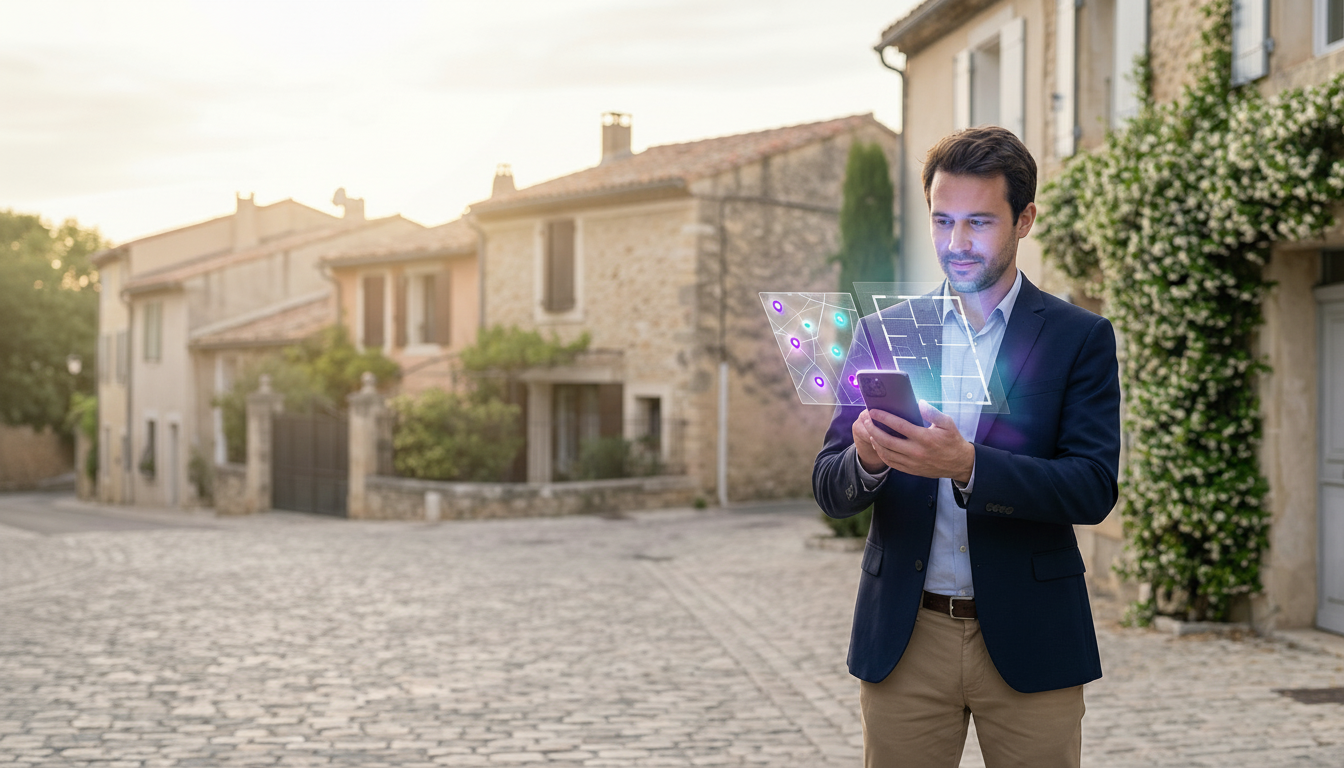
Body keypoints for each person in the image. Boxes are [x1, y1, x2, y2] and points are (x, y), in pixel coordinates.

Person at [812, 125, 1121, 768]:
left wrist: (971, 466)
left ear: (1025, 219)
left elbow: (1092, 487)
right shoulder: (882, 331)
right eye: (942, 220)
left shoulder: (1078, 337)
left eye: (978, 222)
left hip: (1034, 633)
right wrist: (865, 459)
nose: (957, 243)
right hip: (905, 634)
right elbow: (828, 486)